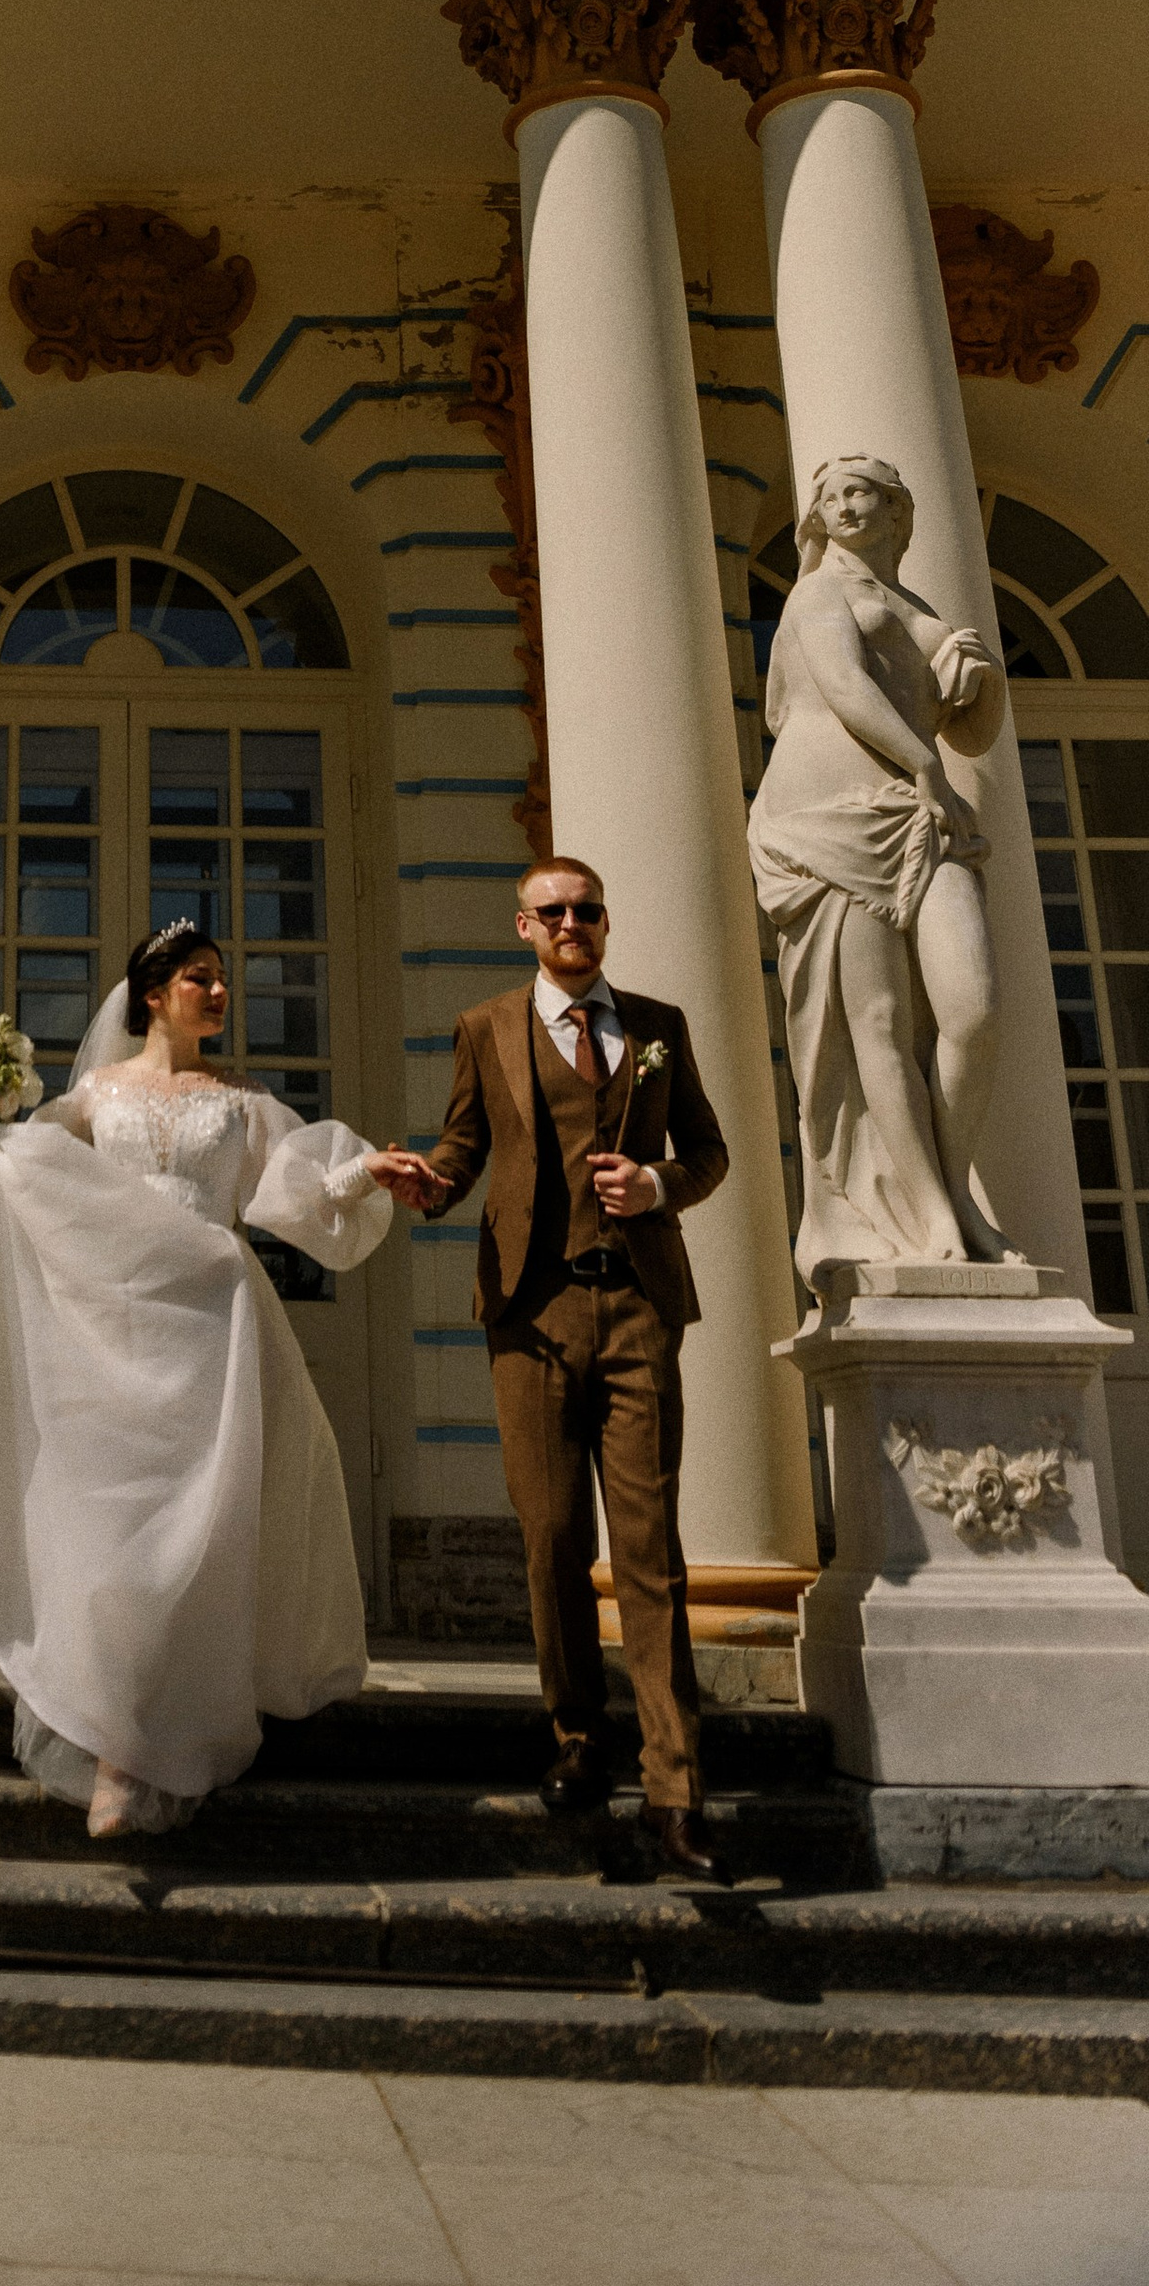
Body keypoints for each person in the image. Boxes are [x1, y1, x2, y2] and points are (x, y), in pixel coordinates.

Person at [0, 916, 397, 1839]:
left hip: (211, 1336)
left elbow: (292, 1194)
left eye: (222, 978)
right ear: (153, 996)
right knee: (110, 1541)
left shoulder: (243, 1100)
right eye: (200, 978)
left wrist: (364, 1175)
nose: (219, 992)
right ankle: (114, 1735)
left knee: (197, 1540)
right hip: (104, 1340)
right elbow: (28, 1174)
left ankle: (148, 1739)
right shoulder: (95, 1098)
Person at [375, 856, 732, 1881]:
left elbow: (705, 1152)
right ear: (521, 927)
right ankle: (578, 1734)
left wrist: (658, 1183)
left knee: (649, 1550)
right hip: (529, 1315)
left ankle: (676, 1788)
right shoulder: (486, 1027)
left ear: (602, 925)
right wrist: (428, 1184)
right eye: (553, 912)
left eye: (586, 910)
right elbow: (462, 1144)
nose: (572, 923)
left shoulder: (656, 1026)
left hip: (636, 1308)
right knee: (550, 1537)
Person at [746, 454, 1011, 1275]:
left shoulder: (918, 605)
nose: (845, 506)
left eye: (862, 493)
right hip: (830, 816)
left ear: (898, 510)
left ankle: (951, 1185)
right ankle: (932, 1216)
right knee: (880, 1028)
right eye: (831, 498)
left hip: (921, 813)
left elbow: (967, 733)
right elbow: (846, 687)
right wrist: (928, 769)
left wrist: (983, 688)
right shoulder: (819, 591)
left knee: (973, 1010)